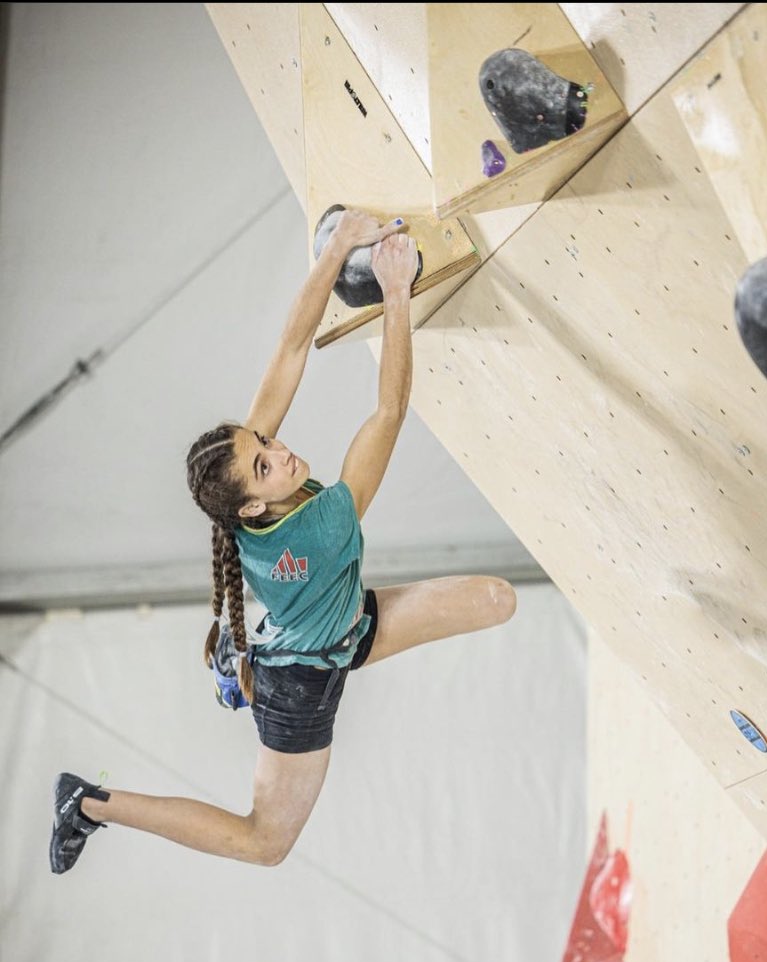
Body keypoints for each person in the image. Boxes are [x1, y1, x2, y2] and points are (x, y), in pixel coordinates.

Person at [50, 210, 517, 874]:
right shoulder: (325, 525)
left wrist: (337, 251)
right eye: (266, 463)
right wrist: (394, 292)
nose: (280, 450)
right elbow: (390, 410)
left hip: (337, 631)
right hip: (299, 685)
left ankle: (307, 645)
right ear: (252, 501)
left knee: (499, 600)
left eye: (264, 442)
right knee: (265, 842)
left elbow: (291, 349)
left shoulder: (237, 506)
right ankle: (91, 806)